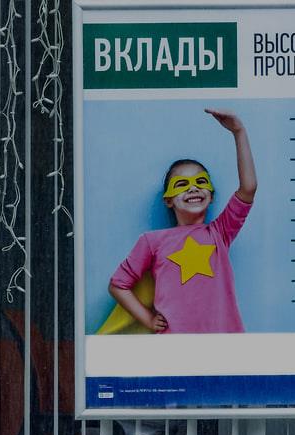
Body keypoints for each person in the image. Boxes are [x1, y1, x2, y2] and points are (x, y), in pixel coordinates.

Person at [106, 107, 257, 334]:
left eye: (200, 182)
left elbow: (248, 188)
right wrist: (148, 319)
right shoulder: (152, 241)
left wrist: (239, 132)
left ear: (211, 195)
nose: (193, 188)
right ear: (169, 200)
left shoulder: (220, 232)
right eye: (182, 184)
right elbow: (118, 284)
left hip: (224, 343)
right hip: (174, 345)